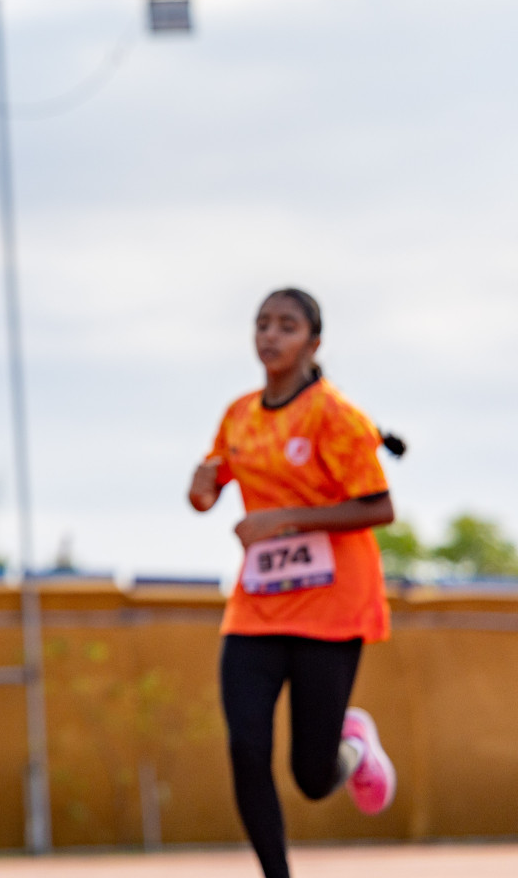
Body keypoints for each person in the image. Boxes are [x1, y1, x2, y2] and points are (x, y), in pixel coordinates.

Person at [189, 288, 401, 878]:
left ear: (314, 341)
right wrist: (201, 487)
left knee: (312, 777)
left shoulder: (334, 415)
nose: (270, 335)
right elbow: (207, 494)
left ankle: (352, 743)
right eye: (262, 324)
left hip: (332, 607)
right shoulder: (239, 414)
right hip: (257, 608)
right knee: (246, 748)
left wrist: (283, 519)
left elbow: (380, 507)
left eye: (286, 325)